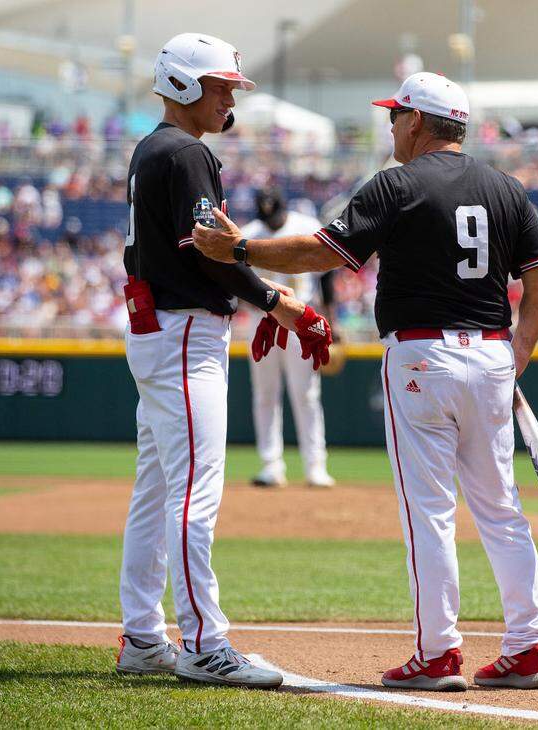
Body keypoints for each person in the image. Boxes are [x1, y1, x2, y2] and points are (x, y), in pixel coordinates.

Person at [193, 72, 538, 692]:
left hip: (422, 359)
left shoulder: (397, 184)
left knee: (430, 512)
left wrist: (243, 252)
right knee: (502, 510)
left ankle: (438, 654)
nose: (391, 125)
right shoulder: (505, 188)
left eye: (395, 115)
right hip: (492, 356)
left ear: (417, 121)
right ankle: (528, 647)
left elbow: (321, 253)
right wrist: (518, 351)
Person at [115, 32, 332, 689]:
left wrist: (261, 300)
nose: (229, 95)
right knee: (191, 491)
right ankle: (204, 644)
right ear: (183, 84)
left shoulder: (159, 147)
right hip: (183, 334)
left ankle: (144, 638)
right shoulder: (183, 152)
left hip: (165, 328)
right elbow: (216, 251)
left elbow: (205, 252)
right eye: (219, 85)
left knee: (157, 489)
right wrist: (279, 305)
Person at [242, 187, 336, 488]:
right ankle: (271, 465)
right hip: (262, 320)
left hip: (300, 316)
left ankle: (315, 466)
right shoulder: (249, 233)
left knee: (306, 393)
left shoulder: (306, 226)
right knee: (265, 393)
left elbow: (328, 277)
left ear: (284, 208)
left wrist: (330, 320)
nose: (272, 221)